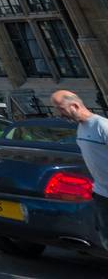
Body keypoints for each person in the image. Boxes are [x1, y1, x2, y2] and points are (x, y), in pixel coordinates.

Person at [50, 89, 108, 246]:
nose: (59, 113)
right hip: (101, 193)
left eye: (61, 108)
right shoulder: (81, 128)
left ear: (75, 105)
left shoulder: (102, 126)